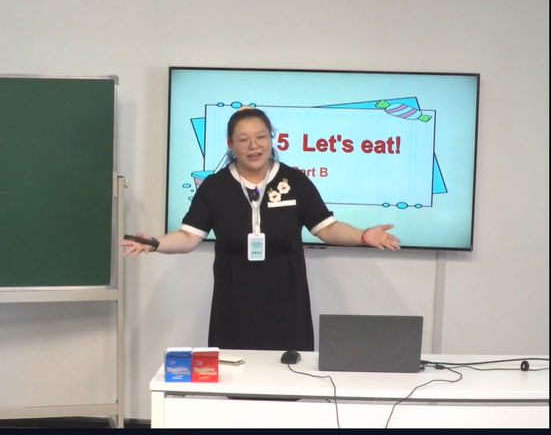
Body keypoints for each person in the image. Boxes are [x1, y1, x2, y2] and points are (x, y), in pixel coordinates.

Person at [120, 107, 400, 352]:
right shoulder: (215, 187)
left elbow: (327, 229)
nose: (254, 146)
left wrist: (363, 235)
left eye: (261, 137)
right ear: (230, 143)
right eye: (243, 139)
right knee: (235, 378)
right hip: (234, 304)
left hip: (287, 303)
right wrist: (156, 243)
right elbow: (188, 237)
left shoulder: (294, 181)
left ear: (271, 139)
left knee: (288, 377)